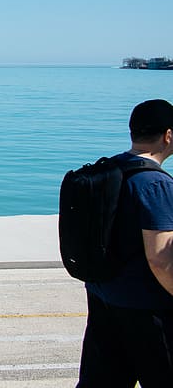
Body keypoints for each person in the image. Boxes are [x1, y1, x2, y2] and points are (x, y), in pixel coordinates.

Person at [76, 99, 173, 387]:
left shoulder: (105, 171)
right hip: (148, 310)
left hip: (102, 298)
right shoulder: (156, 185)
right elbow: (160, 258)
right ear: (168, 135)